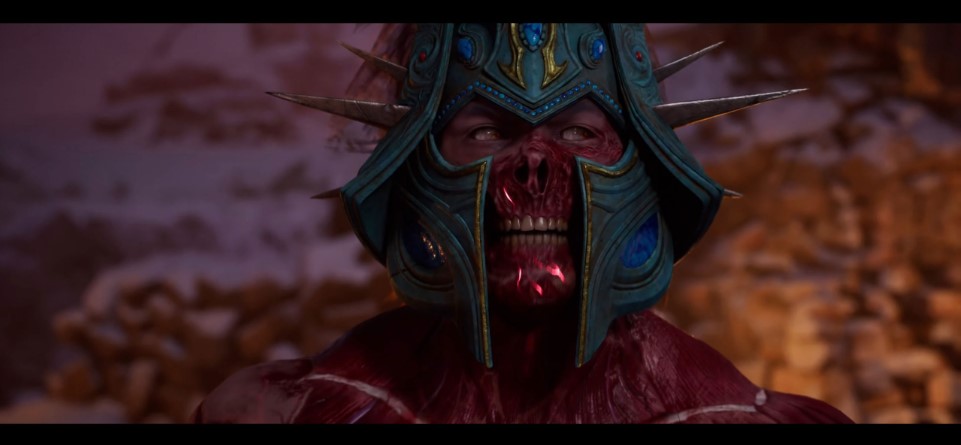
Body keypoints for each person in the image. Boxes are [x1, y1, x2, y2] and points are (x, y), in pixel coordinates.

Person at [193, 23, 854, 423]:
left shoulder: (722, 414)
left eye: (577, 131)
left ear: (640, 163)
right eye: (486, 131)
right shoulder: (300, 411)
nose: (534, 164)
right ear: (416, 164)